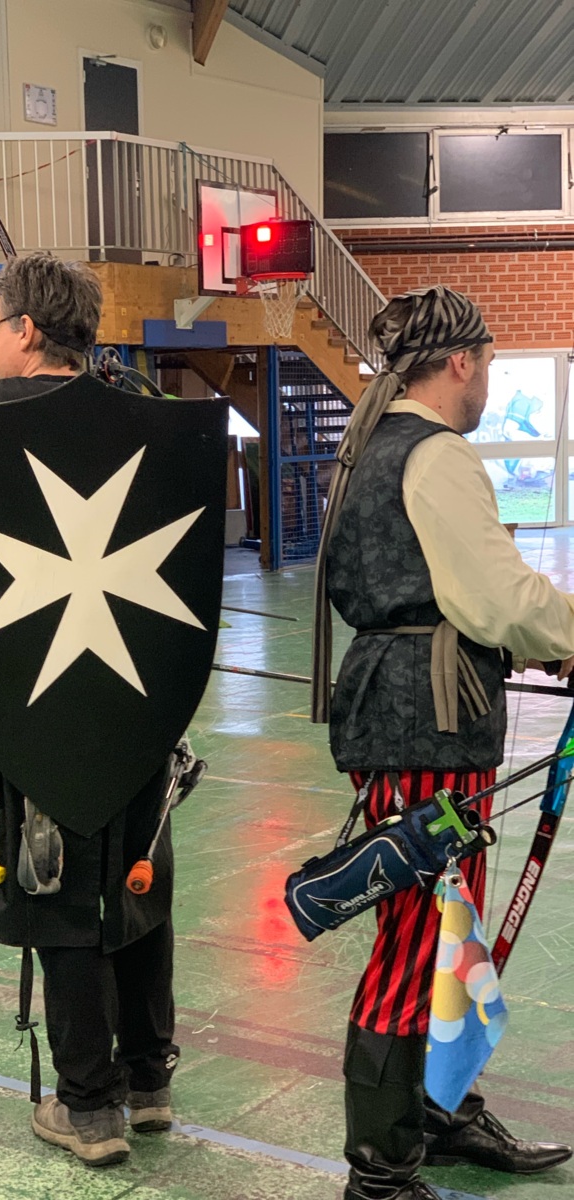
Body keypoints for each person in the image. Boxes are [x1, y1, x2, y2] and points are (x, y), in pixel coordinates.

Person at [0, 252, 180, 1167]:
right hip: (141, 695)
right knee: (138, 875)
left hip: (29, 700)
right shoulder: (144, 416)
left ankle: (88, 1107)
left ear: (28, 329)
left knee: (57, 885)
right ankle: (149, 1081)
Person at [311, 285, 574, 1200]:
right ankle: (381, 1171)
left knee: (446, 928)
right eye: (489, 364)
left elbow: (450, 595)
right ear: (459, 361)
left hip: (417, 712)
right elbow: (493, 597)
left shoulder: (375, 446)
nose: (489, 382)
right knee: (417, 940)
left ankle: (440, 1109)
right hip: (424, 720)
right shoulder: (433, 452)